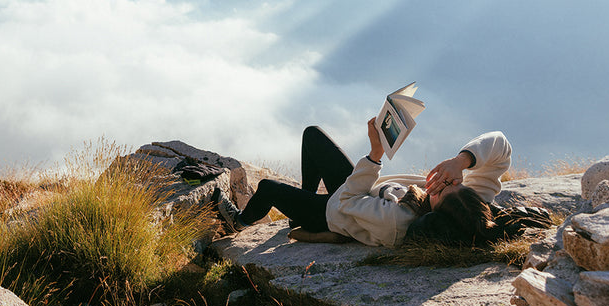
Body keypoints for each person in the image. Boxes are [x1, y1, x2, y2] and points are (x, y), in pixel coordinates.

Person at [215, 117, 511, 248]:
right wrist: (462, 161)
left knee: (267, 188)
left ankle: (238, 223)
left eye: (441, 192)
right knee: (312, 135)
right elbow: (500, 145)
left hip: (334, 213)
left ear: (434, 216)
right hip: (360, 188)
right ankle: (296, 210)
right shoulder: (471, 203)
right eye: (453, 184)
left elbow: (346, 201)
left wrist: (375, 154)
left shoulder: (395, 221)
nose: (441, 183)